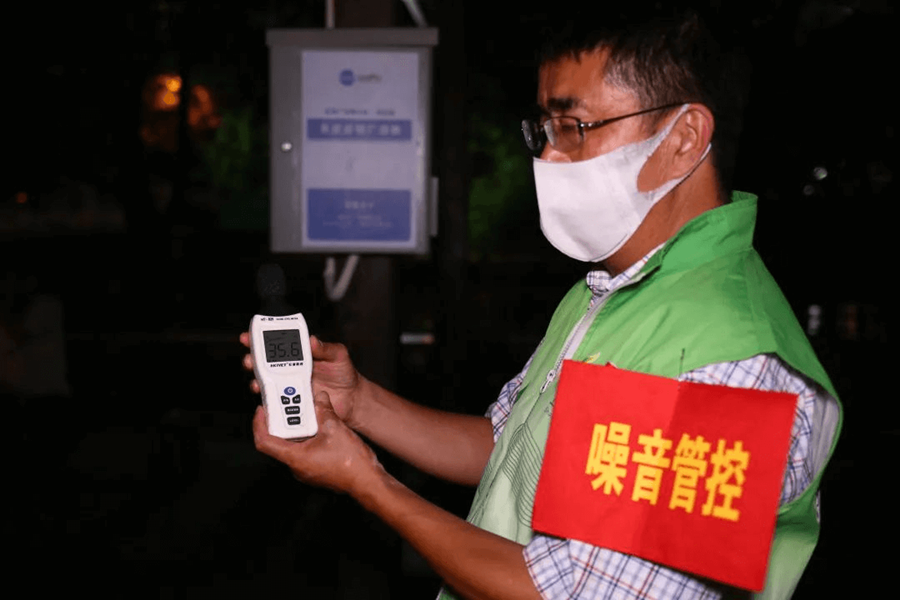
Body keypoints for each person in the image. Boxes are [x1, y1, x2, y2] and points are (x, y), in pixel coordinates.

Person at [243, 8, 841, 599]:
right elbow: (511, 449)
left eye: (573, 127)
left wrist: (365, 480)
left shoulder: (727, 364)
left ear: (683, 139)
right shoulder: (608, 289)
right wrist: (360, 403)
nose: (549, 157)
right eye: (545, 130)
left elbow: (568, 593)